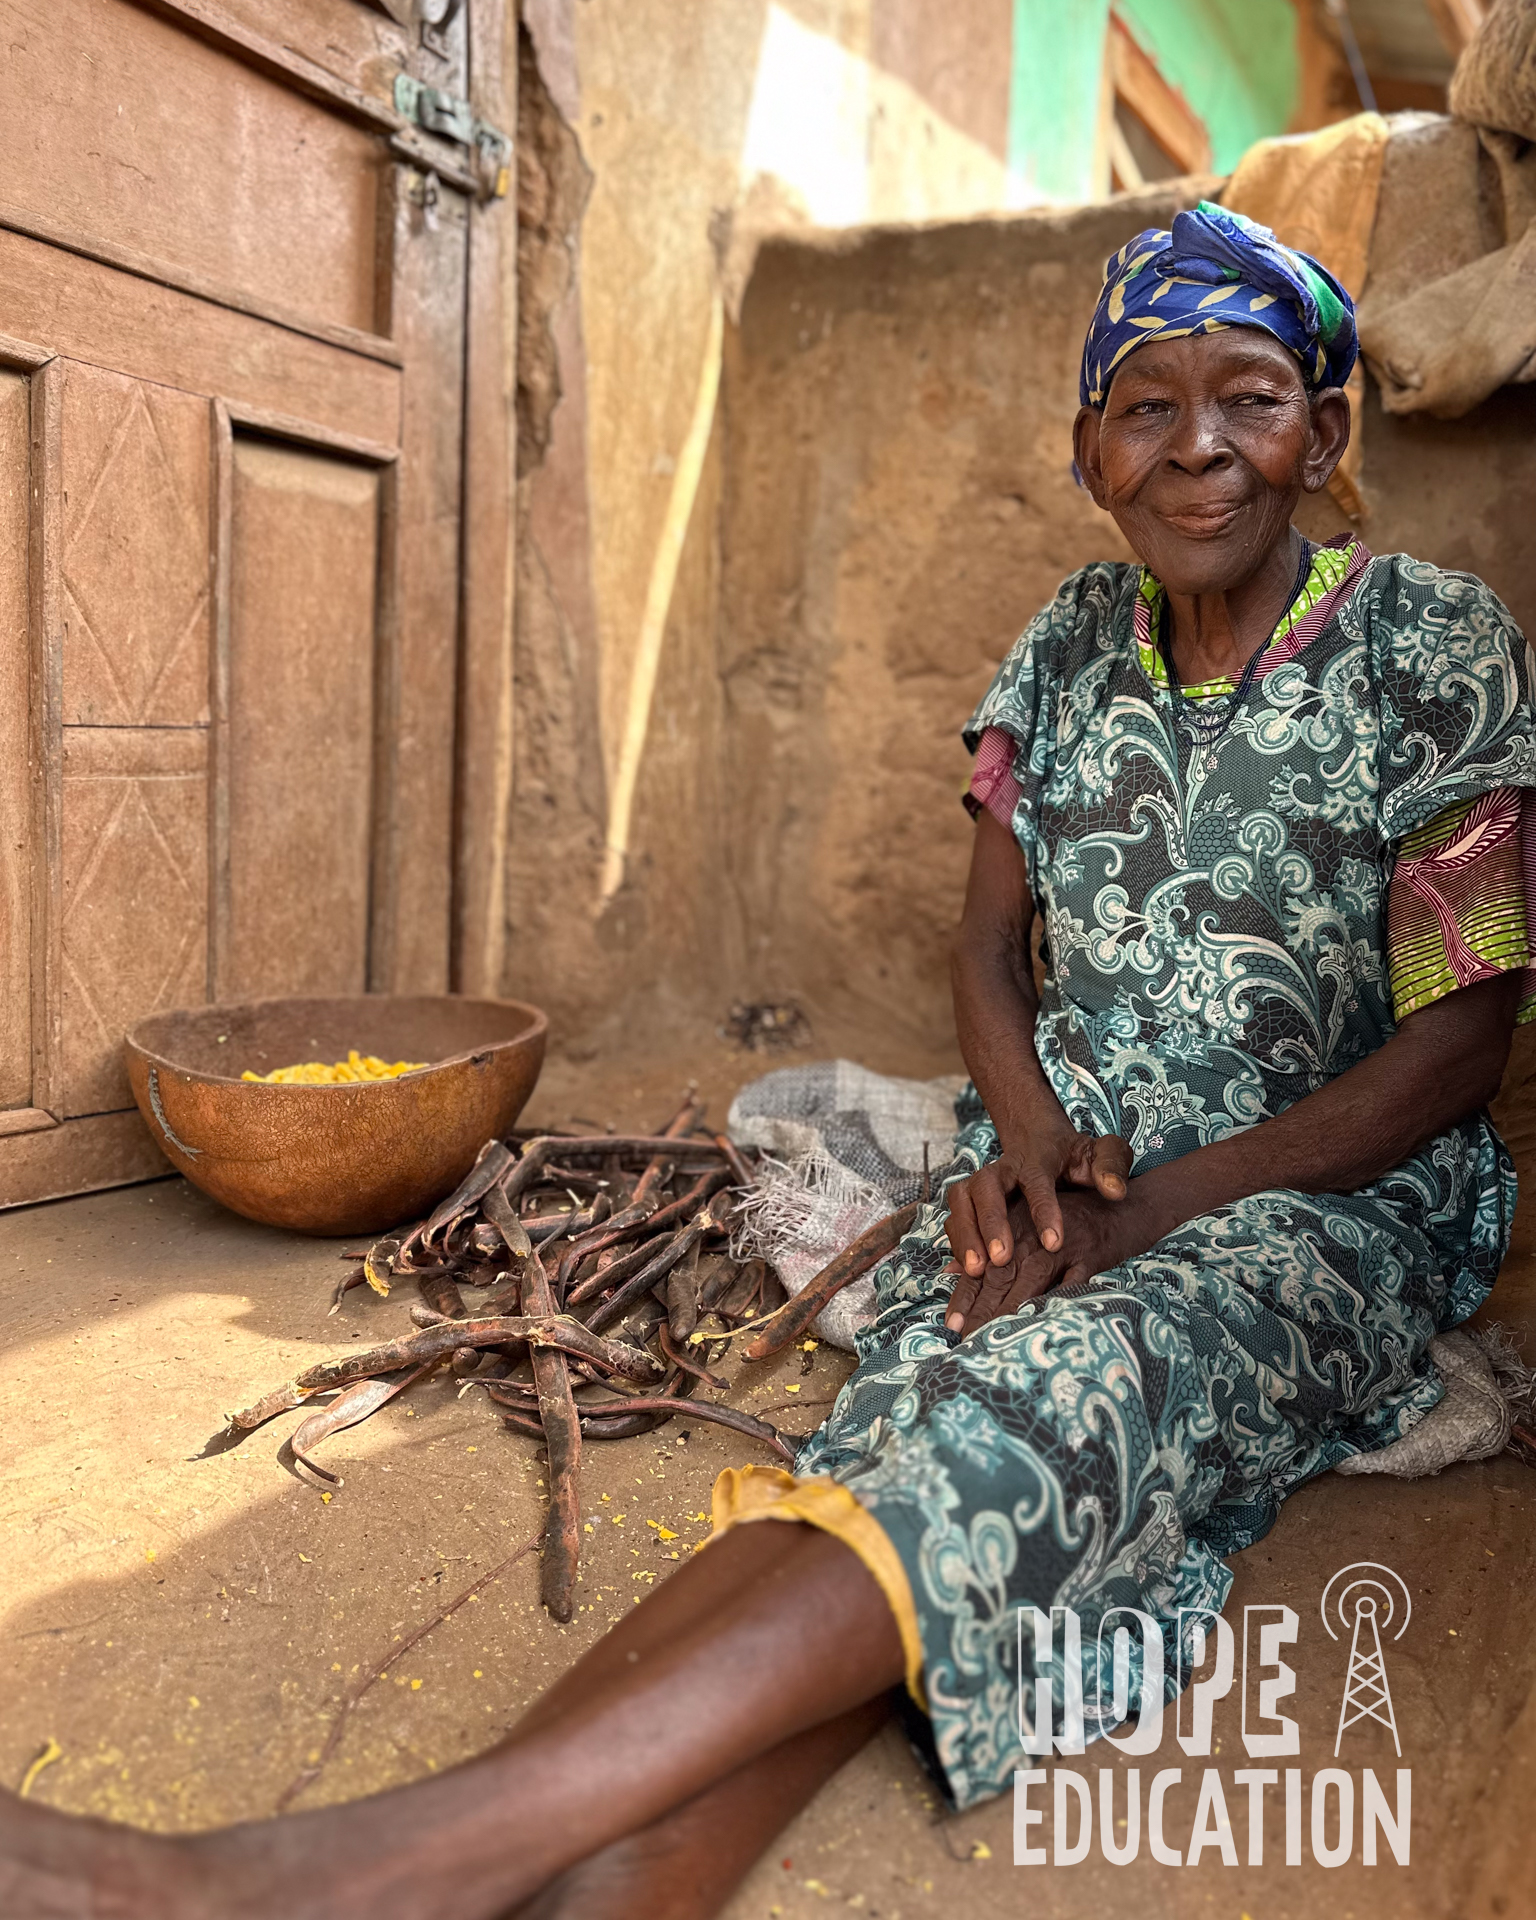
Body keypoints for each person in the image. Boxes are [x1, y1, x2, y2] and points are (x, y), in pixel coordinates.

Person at [4, 203, 1532, 1920]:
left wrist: (1153, 1212)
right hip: (1072, 1169)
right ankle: (628, 1880)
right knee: (898, 1426)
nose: (1199, 449)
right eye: (1145, 405)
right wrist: (1024, 1149)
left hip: (1324, 1197)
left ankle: (322, 1877)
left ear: (1326, 432)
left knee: (1089, 1392)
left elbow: (1462, 1044)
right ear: (1087, 447)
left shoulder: (1430, 646)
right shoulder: (1068, 646)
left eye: (1251, 398)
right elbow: (979, 951)